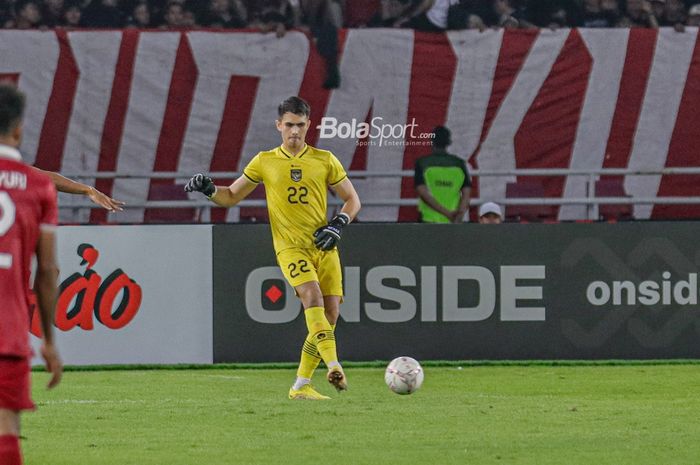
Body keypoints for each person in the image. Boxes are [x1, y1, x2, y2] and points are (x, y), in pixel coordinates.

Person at [185, 96, 361, 400]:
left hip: (323, 246)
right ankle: (334, 365)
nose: (295, 131)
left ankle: (301, 385)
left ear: (309, 125)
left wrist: (339, 224)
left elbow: (352, 199)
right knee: (312, 296)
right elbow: (230, 196)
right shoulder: (265, 161)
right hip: (290, 247)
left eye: (301, 125)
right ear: (279, 125)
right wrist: (209, 189)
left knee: (330, 316)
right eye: (289, 125)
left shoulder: (324, 159)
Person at [0, 83, 63, 465]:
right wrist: (50, 340)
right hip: (6, 332)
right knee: (7, 427)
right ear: (19, 129)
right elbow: (48, 271)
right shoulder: (39, 186)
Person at [413, 126, 471, 223]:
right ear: (448, 143)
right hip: (452, 222)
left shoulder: (422, 163)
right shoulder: (459, 164)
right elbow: (466, 194)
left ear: (432, 142)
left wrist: (446, 213)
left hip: (429, 220)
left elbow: (423, 193)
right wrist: (459, 215)